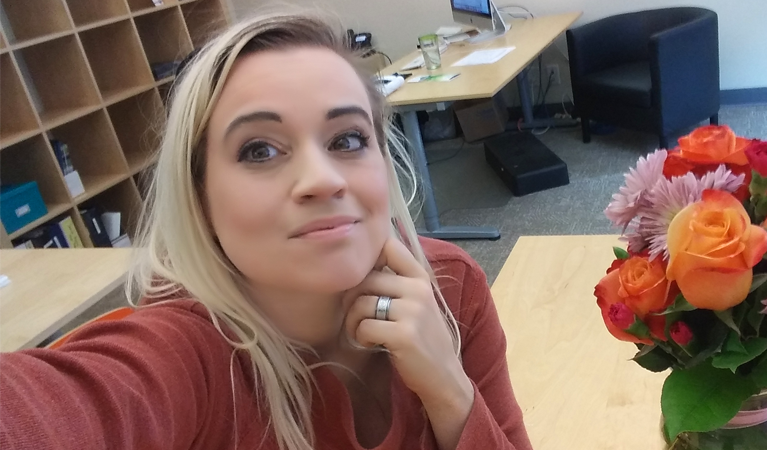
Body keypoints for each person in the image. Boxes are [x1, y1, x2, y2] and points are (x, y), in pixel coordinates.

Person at [0, 12, 531, 450]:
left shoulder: (449, 285)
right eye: (259, 150)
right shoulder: (184, 355)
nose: (322, 180)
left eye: (347, 140)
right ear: (200, 199)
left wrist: (450, 393)